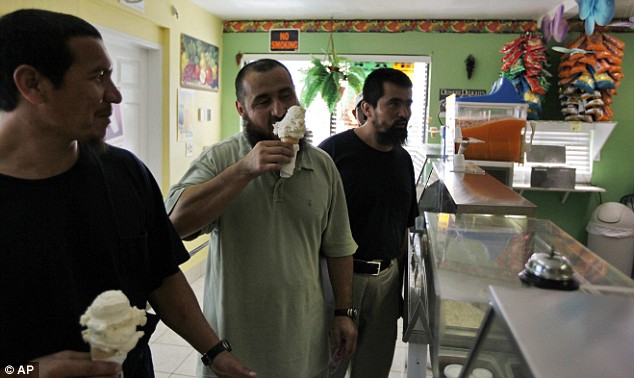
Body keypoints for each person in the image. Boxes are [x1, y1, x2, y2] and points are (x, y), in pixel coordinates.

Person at [0, 9, 255, 378]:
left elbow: (162, 277)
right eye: (97, 76)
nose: (115, 95)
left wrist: (215, 352)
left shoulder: (125, 173)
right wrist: (30, 371)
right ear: (32, 84)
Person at [165, 58, 358, 378]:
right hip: (231, 347)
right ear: (241, 110)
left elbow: (339, 246)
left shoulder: (323, 166)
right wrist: (243, 171)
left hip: (303, 343)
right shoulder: (220, 158)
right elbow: (174, 225)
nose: (279, 110)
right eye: (263, 101)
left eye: (286, 95)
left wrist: (344, 311)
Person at [318, 68, 420, 378]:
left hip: (386, 284)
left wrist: (403, 291)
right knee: (326, 369)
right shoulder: (332, 153)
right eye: (393, 104)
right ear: (367, 108)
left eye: (408, 104)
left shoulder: (403, 160)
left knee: (374, 371)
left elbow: (403, 227)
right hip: (336, 281)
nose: (404, 113)